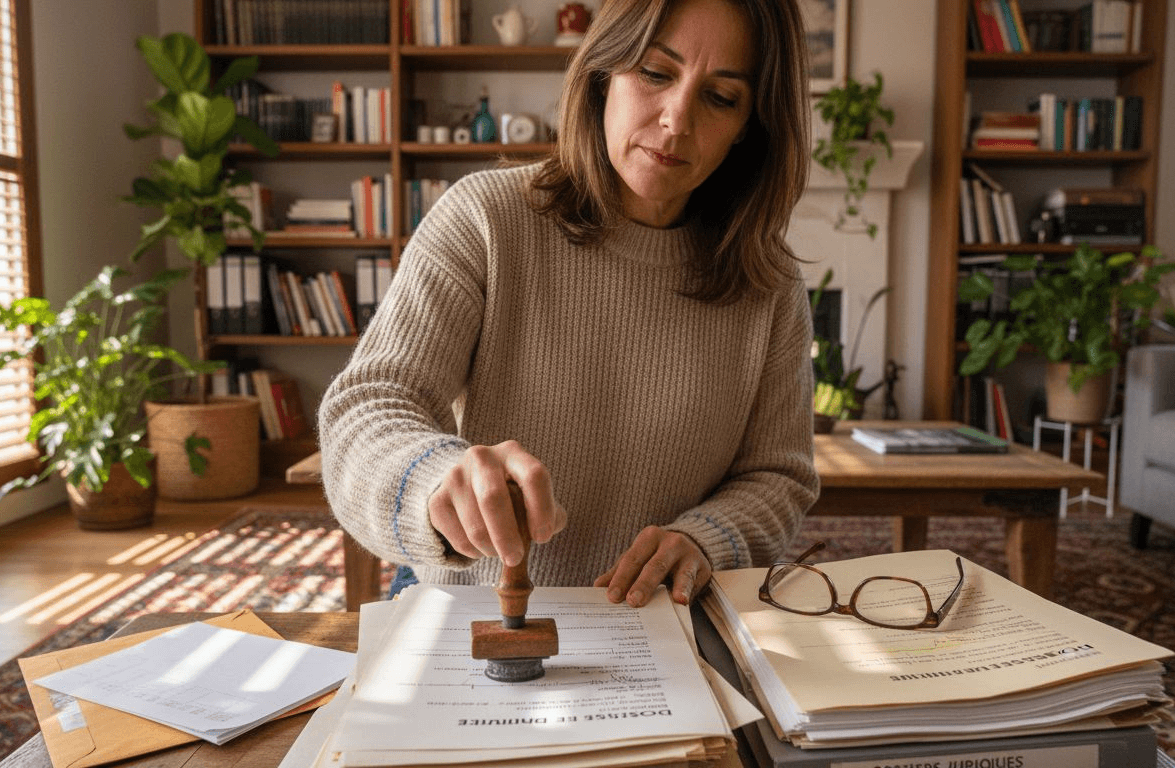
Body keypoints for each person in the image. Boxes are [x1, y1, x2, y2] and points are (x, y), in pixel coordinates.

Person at [318, 0, 819, 608]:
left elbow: (778, 478)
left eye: (721, 97)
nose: (677, 119)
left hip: (661, 623)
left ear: (750, 126)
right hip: (471, 610)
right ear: (603, 72)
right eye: (656, 74)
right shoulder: (485, 217)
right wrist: (432, 482)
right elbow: (365, 409)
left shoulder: (770, 282)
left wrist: (709, 539)